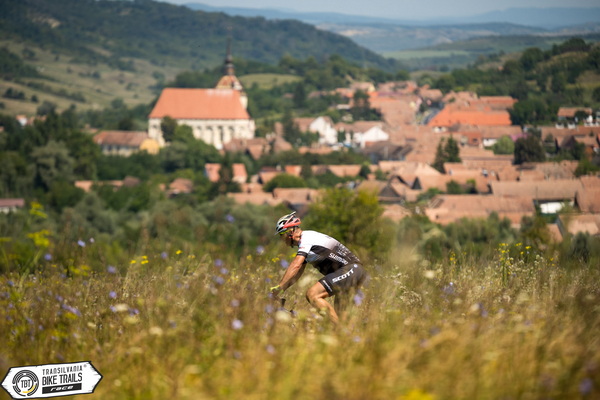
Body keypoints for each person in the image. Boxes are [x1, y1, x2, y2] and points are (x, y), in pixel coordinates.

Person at [269, 211, 367, 324]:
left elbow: (296, 265)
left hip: (351, 270)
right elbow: (297, 273)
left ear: (290, 232)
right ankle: (346, 332)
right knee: (340, 318)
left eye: (282, 235)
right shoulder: (307, 242)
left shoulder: (306, 239)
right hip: (355, 271)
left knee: (313, 294)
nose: (282, 239)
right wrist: (281, 290)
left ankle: (338, 328)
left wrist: (279, 288)